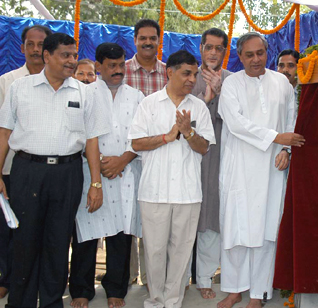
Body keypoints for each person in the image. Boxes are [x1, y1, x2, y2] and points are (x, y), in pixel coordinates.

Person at [0, 33, 108, 308]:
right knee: (24, 241)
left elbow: (92, 140)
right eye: (65, 55)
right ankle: (21, 302)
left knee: (58, 243)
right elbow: (4, 134)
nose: (72, 61)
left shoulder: (84, 93)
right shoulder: (19, 88)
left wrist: (96, 184)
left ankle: (51, 302)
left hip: (67, 174)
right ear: (47, 56)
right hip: (27, 172)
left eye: (74, 55)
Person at [217, 32, 305, 308]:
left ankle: (258, 293)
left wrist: (286, 150)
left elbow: (292, 120)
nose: (256, 59)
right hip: (239, 167)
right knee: (236, 229)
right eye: (249, 55)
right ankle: (233, 289)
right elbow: (236, 123)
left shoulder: (282, 83)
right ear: (240, 57)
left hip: (271, 169)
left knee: (266, 231)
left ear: (268, 53)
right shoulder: (231, 84)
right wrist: (277, 138)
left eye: (261, 53)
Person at [129, 50, 215, 308]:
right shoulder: (149, 104)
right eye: (186, 73)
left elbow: (204, 148)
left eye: (195, 74)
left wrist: (188, 133)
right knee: (154, 252)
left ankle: (174, 302)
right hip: (153, 191)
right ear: (170, 72)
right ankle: (155, 301)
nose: (192, 79)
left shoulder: (199, 106)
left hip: (188, 193)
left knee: (181, 253)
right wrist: (167, 136)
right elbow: (136, 142)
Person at [69, 43, 144, 308]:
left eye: (121, 65)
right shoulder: (83, 93)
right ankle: (81, 289)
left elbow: (142, 137)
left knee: (120, 236)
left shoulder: (137, 97)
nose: (117, 70)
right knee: (86, 235)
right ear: (98, 66)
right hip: (90, 174)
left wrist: (123, 159)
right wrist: (99, 164)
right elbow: (74, 132)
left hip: (124, 173)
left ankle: (116, 289)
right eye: (111, 66)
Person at [0, 24, 52, 300]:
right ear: (21, 48)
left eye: (40, 44)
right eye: (30, 44)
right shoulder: (7, 83)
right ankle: (8, 280)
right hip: (10, 169)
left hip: (45, 173)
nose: (35, 50)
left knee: (43, 233)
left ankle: (42, 283)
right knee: (11, 231)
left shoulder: (58, 82)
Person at [185, 27, 232, 300]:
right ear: (201, 48)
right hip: (190, 158)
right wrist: (207, 98)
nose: (213, 52)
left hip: (220, 159)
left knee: (211, 218)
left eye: (219, 48)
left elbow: (238, 120)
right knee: (184, 219)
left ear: (225, 51)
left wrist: (221, 93)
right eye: (209, 47)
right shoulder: (188, 77)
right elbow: (183, 121)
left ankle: (205, 277)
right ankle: (179, 277)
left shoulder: (233, 80)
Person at [124, 19, 167, 287]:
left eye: (153, 38)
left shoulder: (168, 73)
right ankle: (126, 278)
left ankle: (154, 280)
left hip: (160, 158)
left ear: (159, 41)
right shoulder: (121, 70)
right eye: (143, 38)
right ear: (135, 39)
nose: (148, 42)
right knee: (127, 222)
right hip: (126, 160)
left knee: (154, 223)